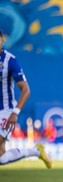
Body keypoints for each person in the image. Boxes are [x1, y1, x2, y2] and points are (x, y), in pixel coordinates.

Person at [0, 29, 52, 168]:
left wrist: (15, 113)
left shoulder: (10, 60)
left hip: (6, 111)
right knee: (1, 158)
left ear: (2, 40)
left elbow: (26, 89)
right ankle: (35, 151)